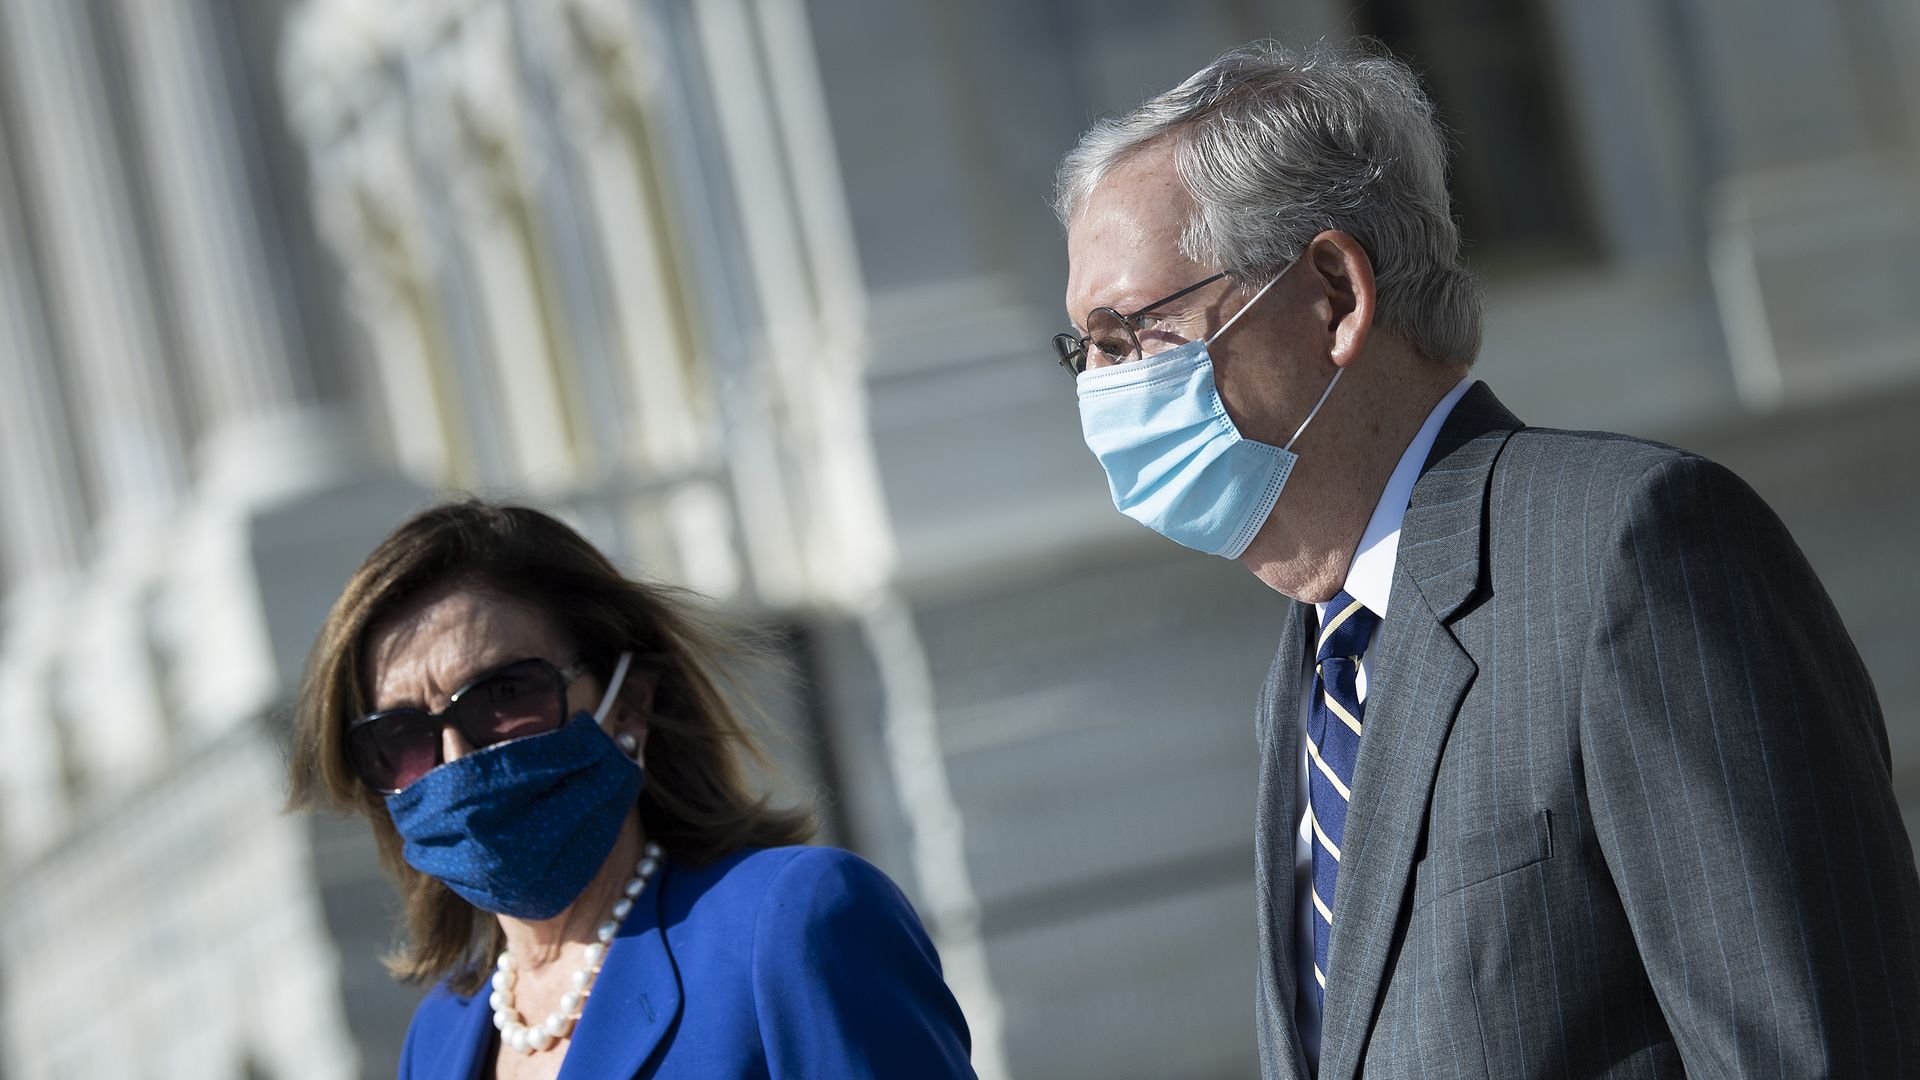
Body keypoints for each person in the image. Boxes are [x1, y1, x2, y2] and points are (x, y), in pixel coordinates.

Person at [1053, 40, 1920, 1079]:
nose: (1099, 390)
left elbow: (1816, 1045)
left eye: (1130, 333)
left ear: (1333, 294)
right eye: (1084, 349)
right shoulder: (1312, 673)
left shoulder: (1629, 552)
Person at [287, 501, 975, 1079]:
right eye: (401, 736)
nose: (457, 757)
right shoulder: (439, 1039)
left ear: (628, 705)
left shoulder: (792, 922)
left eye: (504, 696)